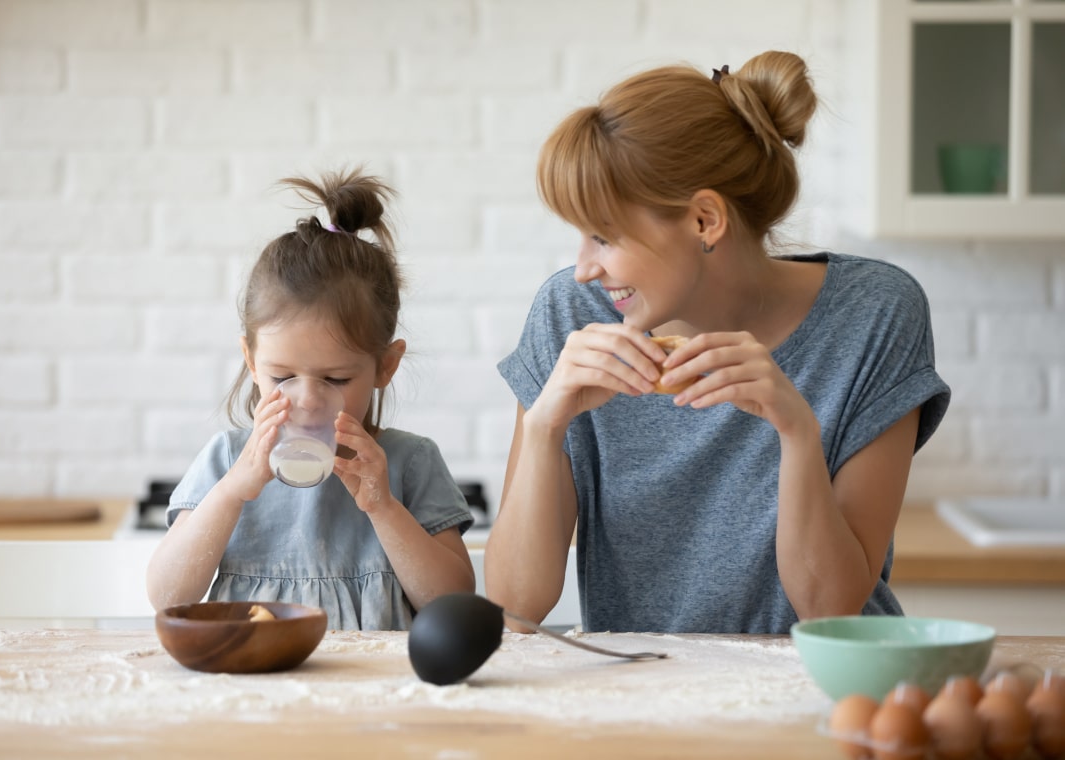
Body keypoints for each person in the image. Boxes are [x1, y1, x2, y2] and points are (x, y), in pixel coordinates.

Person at [484, 52, 950, 635]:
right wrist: (544, 426)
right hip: (644, 693)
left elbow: (831, 610)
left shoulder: (874, 314)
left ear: (705, 220)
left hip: (823, 686)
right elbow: (515, 603)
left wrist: (797, 433)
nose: (584, 269)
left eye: (604, 236)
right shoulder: (571, 318)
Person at [146, 169, 475, 630]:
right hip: (256, 685)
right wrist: (232, 491)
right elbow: (167, 596)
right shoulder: (226, 459)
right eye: (281, 375)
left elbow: (453, 604)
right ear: (250, 359)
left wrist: (384, 508)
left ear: (385, 366)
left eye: (336, 378)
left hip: (377, 692)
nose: (307, 399)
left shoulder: (409, 463)